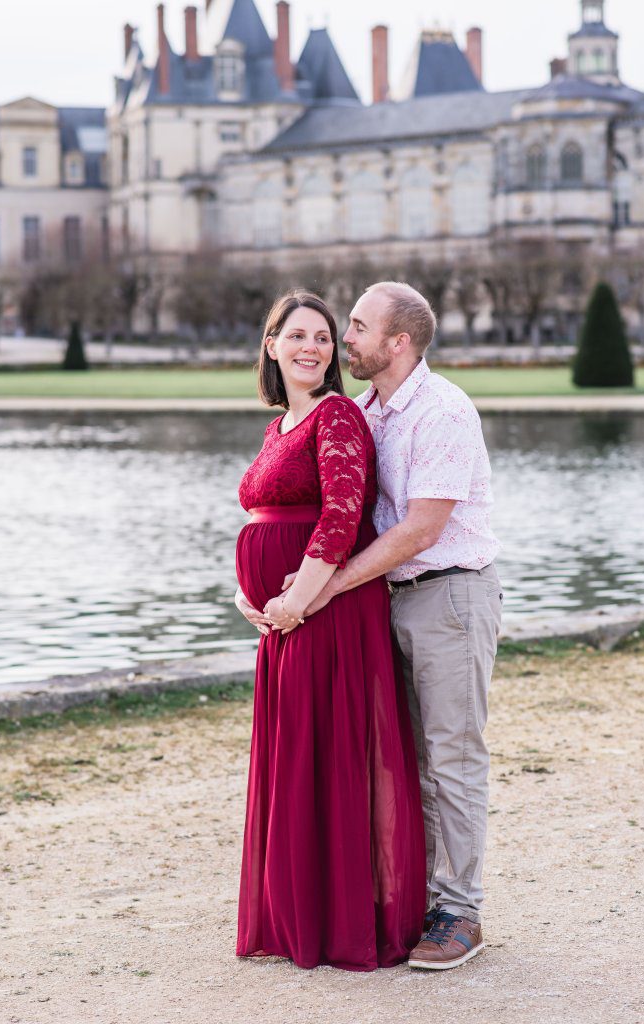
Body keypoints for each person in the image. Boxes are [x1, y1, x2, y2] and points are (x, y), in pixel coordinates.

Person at [289, 281, 502, 971]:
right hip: (387, 601)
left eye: (355, 326)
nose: (343, 338)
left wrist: (327, 589)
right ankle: (417, 899)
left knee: (452, 758)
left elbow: (419, 529)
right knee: (403, 760)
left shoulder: (441, 411)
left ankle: (459, 912)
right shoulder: (364, 410)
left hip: (449, 596)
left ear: (396, 341)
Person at [233, 290, 425, 972]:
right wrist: (243, 594)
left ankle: (340, 922)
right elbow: (260, 522)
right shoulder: (280, 425)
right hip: (282, 620)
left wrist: (298, 603)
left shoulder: (337, 414)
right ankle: (297, 916)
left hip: (327, 615)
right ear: (271, 345)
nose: (312, 346)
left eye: (322, 336)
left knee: (332, 758)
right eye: (297, 336)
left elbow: (341, 518)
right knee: (298, 762)